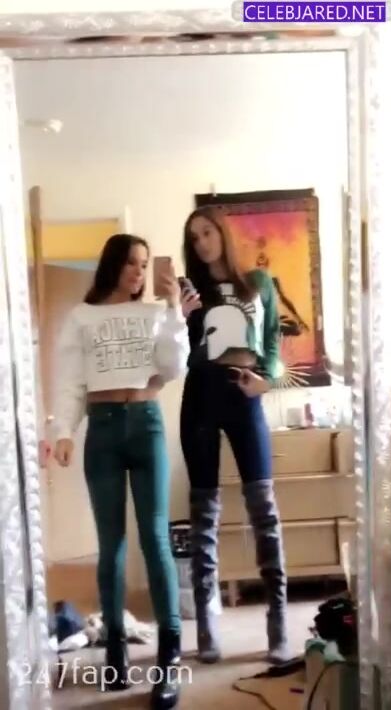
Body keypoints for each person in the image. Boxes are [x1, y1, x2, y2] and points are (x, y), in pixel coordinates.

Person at [52, 234, 189, 709]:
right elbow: (70, 381)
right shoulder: (82, 317)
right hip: (104, 428)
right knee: (111, 544)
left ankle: (169, 655)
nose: (139, 272)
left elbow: (173, 367)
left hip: (147, 423)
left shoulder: (155, 313)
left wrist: (173, 310)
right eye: (132, 263)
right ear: (113, 264)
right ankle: (114, 648)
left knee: (155, 537)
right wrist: (63, 431)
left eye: (145, 264)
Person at [179, 206, 290, 665]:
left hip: (245, 395)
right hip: (201, 394)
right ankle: (207, 627)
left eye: (207, 232)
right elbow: (179, 354)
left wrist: (268, 381)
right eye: (194, 237)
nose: (202, 242)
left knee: (264, 509)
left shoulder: (258, 283)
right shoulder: (190, 290)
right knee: (204, 516)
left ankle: (278, 624)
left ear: (222, 232)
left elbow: (273, 345)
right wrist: (178, 317)